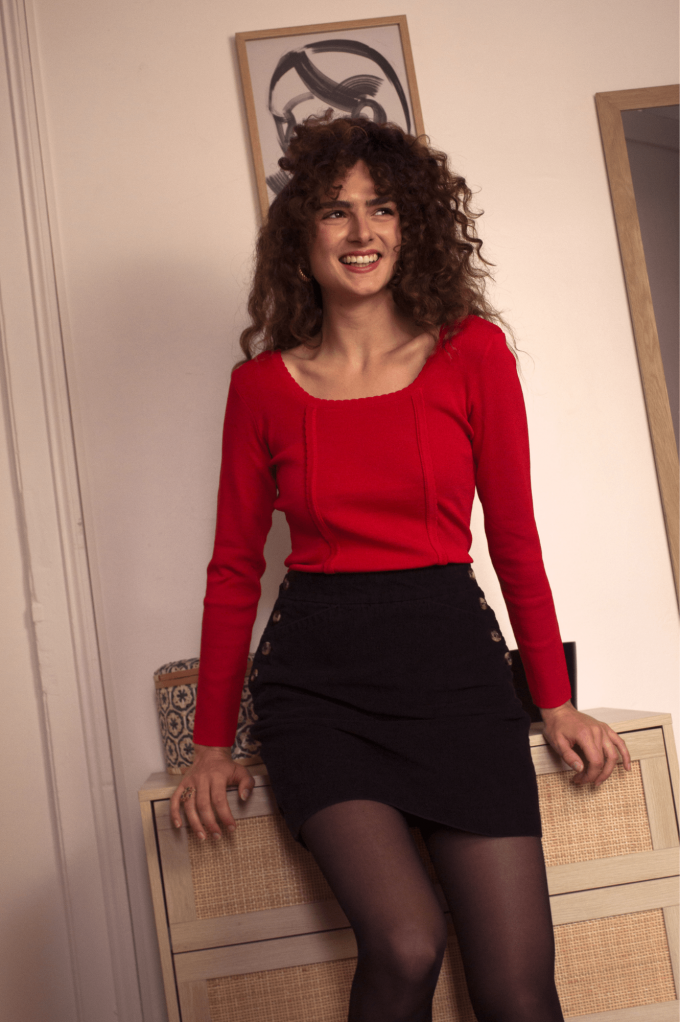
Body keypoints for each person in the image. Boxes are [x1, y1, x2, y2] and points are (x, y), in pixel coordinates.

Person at [170, 116, 631, 1022]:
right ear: (302, 236)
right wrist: (211, 747)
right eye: (335, 211)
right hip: (322, 695)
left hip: (458, 681)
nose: (362, 231)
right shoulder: (260, 389)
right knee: (407, 943)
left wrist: (555, 700)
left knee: (517, 990)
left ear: (411, 224)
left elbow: (515, 540)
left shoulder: (473, 354)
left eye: (381, 208)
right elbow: (233, 571)